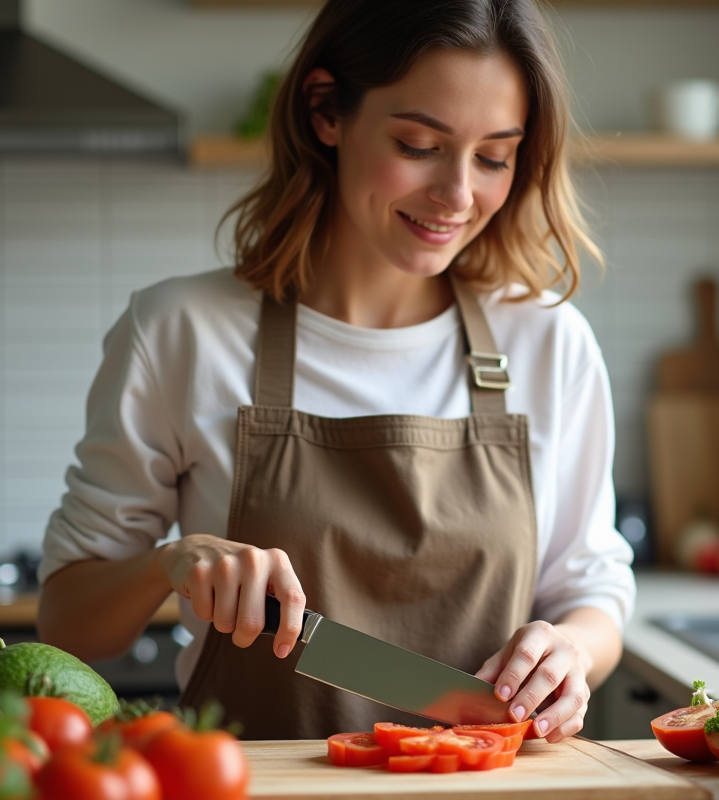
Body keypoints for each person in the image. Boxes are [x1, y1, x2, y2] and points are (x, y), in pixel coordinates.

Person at [36, 0, 635, 743]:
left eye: (493, 156)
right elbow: (67, 625)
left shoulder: (549, 342)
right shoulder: (181, 332)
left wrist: (572, 651)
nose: (457, 196)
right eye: (419, 144)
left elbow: (592, 589)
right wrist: (171, 563)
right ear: (326, 111)